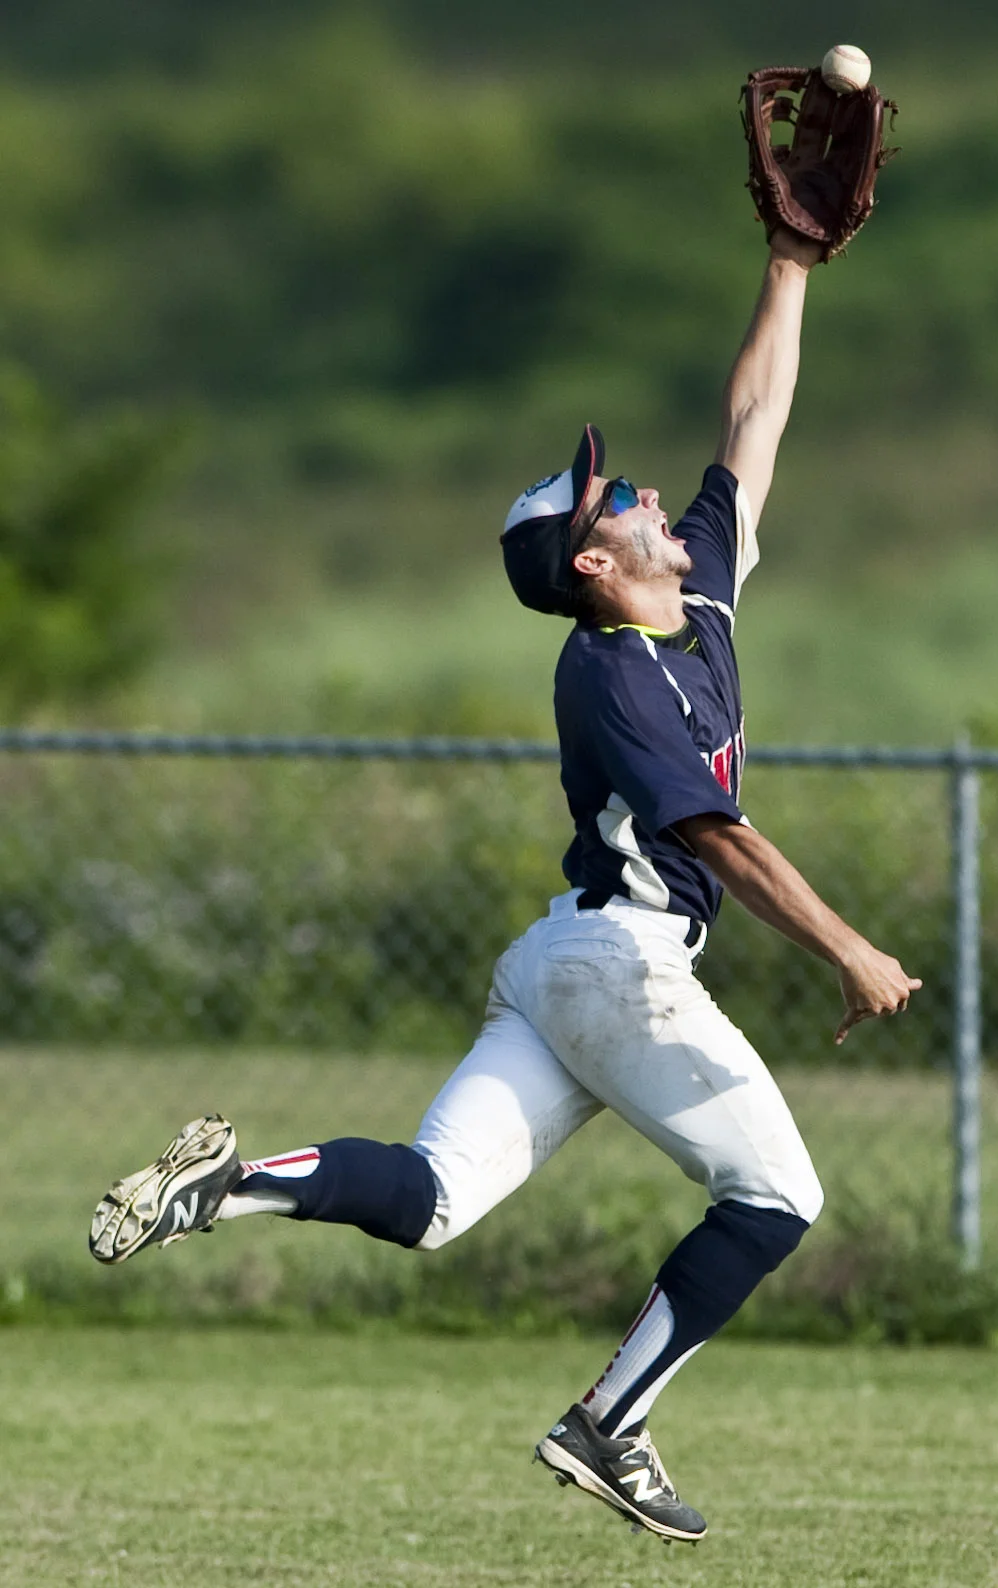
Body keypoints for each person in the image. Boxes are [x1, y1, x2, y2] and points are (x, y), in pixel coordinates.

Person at [89, 225, 920, 1547]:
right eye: (613, 503)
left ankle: (224, 1184)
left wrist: (790, 263)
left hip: (559, 969)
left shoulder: (693, 605)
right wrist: (850, 948)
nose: (643, 494)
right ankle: (609, 1425)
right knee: (777, 1201)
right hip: (618, 970)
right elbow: (718, 839)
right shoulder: (609, 670)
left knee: (428, 1203)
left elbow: (753, 419)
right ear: (592, 567)